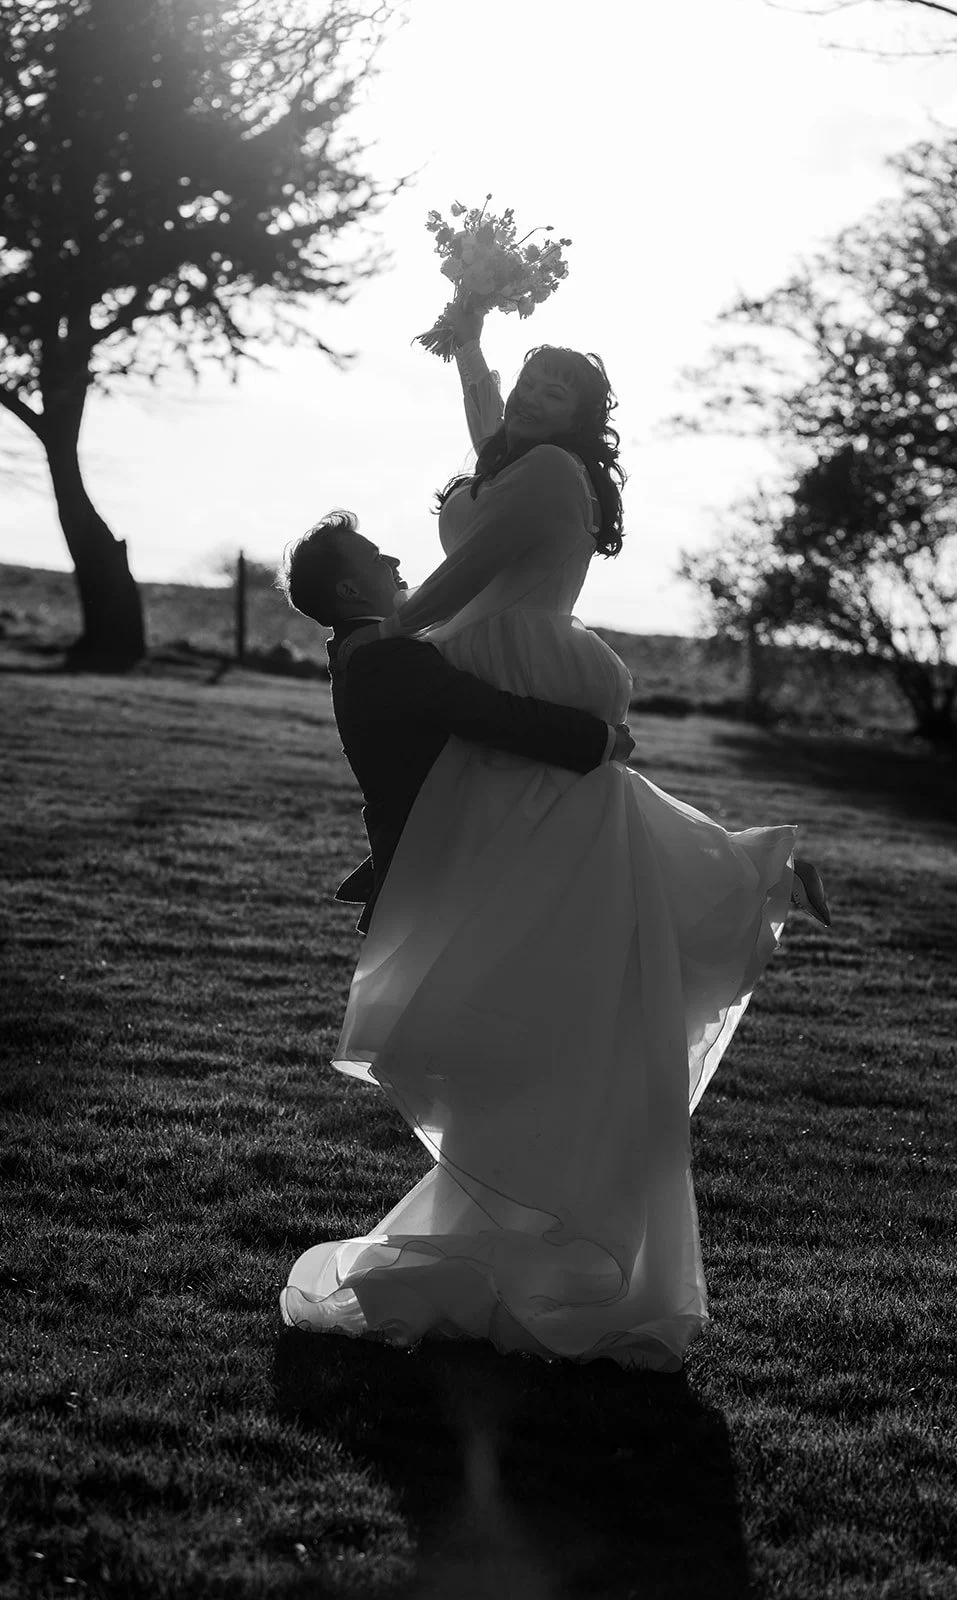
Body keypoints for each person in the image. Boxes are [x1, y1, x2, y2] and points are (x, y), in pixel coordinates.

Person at [280, 305, 830, 1372]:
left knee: (590, 843)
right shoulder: (510, 458)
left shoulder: (536, 483)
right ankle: (751, 869)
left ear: (585, 417)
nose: (530, 404)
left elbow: (466, 562)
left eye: (555, 395)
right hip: (498, 685)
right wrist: (476, 333)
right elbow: (484, 415)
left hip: (511, 664)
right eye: (530, 389)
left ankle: (749, 869)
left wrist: (399, 627)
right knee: (572, 877)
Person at [277, 509, 636, 937]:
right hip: (440, 851)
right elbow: (490, 715)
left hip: (446, 842)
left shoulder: (368, 648)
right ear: (349, 588)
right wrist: (600, 739)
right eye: (375, 558)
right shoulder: (382, 658)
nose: (392, 560)